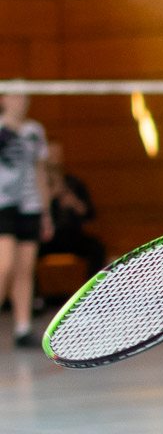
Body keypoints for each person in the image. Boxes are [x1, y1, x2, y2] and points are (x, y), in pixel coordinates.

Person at [0, 93, 53, 348]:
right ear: (4, 99)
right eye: (16, 97)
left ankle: (23, 328)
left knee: (25, 268)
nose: (21, 102)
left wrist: (46, 212)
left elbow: (40, 170)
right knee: (4, 265)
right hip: (2, 204)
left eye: (25, 97)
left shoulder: (35, 130)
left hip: (29, 204)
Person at [38, 142, 106, 279]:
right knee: (26, 250)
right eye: (51, 155)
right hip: (46, 237)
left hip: (72, 235)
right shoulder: (37, 186)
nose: (54, 159)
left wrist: (74, 202)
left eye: (57, 155)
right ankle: (32, 291)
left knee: (97, 247)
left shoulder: (73, 183)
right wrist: (49, 197)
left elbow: (90, 214)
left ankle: (93, 288)